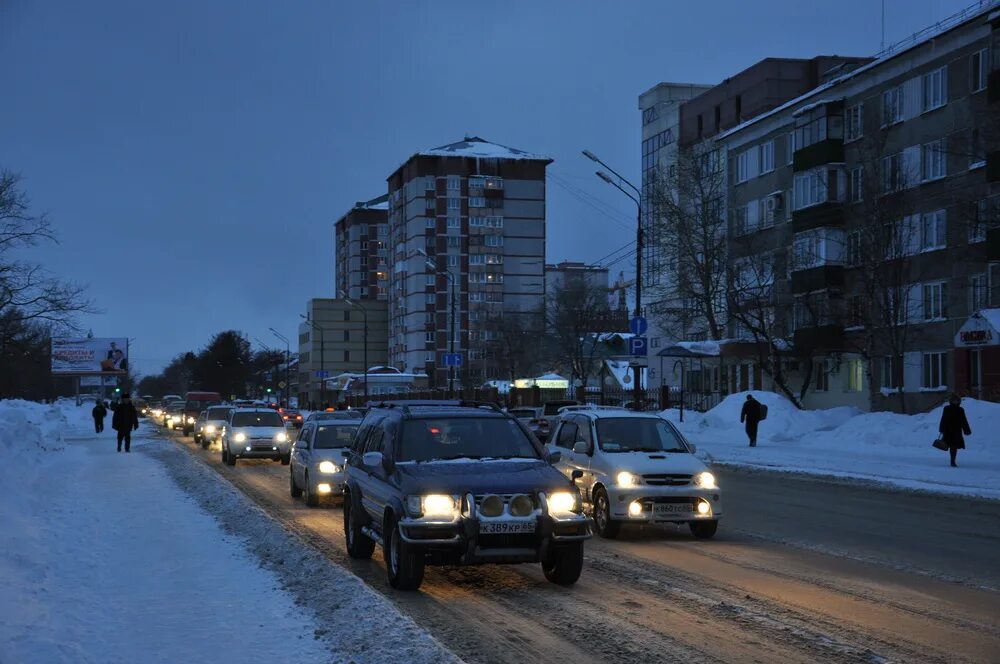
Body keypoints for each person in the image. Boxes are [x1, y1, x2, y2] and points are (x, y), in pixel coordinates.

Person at [939, 393, 972, 467]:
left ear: (959, 401)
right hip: (948, 430)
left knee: (954, 446)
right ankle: (952, 461)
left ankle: (952, 461)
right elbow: (943, 419)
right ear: (951, 401)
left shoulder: (960, 410)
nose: (955, 402)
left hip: (957, 431)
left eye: (957, 401)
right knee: (950, 446)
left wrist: (966, 430)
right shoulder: (947, 408)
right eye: (954, 400)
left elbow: (964, 420)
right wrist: (942, 428)